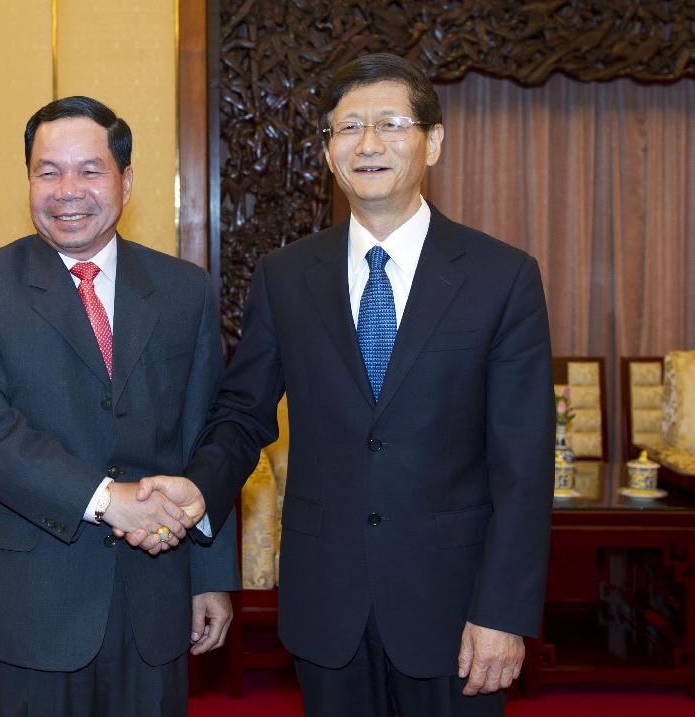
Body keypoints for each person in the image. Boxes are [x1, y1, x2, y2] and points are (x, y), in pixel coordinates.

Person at [137, 53, 554, 716]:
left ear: (433, 141)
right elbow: (243, 412)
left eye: (390, 124)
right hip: (327, 601)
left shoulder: (501, 277)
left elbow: (523, 466)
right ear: (328, 153)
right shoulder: (286, 276)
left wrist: (504, 610)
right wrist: (196, 487)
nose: (367, 144)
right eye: (346, 129)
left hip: (455, 608)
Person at [0, 95, 239, 717]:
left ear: (126, 180)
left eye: (90, 170)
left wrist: (209, 577)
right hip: (33, 602)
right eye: (48, 171)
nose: (67, 190)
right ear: (28, 180)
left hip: (157, 594)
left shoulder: (184, 290)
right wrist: (107, 499)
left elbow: (206, 437)